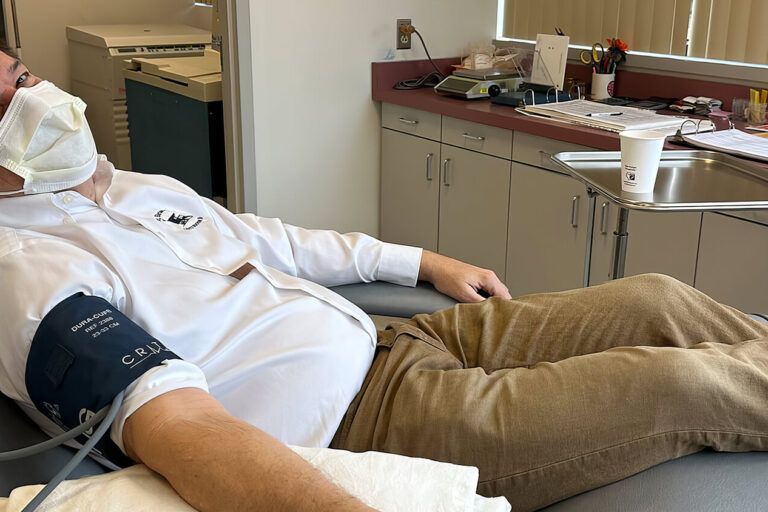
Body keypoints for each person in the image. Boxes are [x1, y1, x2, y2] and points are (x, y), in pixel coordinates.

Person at [1, 44, 767, 512]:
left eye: (24, 76)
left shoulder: (129, 187)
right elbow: (180, 431)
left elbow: (280, 242)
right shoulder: (25, 275)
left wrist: (425, 262)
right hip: (367, 423)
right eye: (6, 102)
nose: (37, 100)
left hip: (396, 339)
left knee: (657, 295)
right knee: (683, 385)